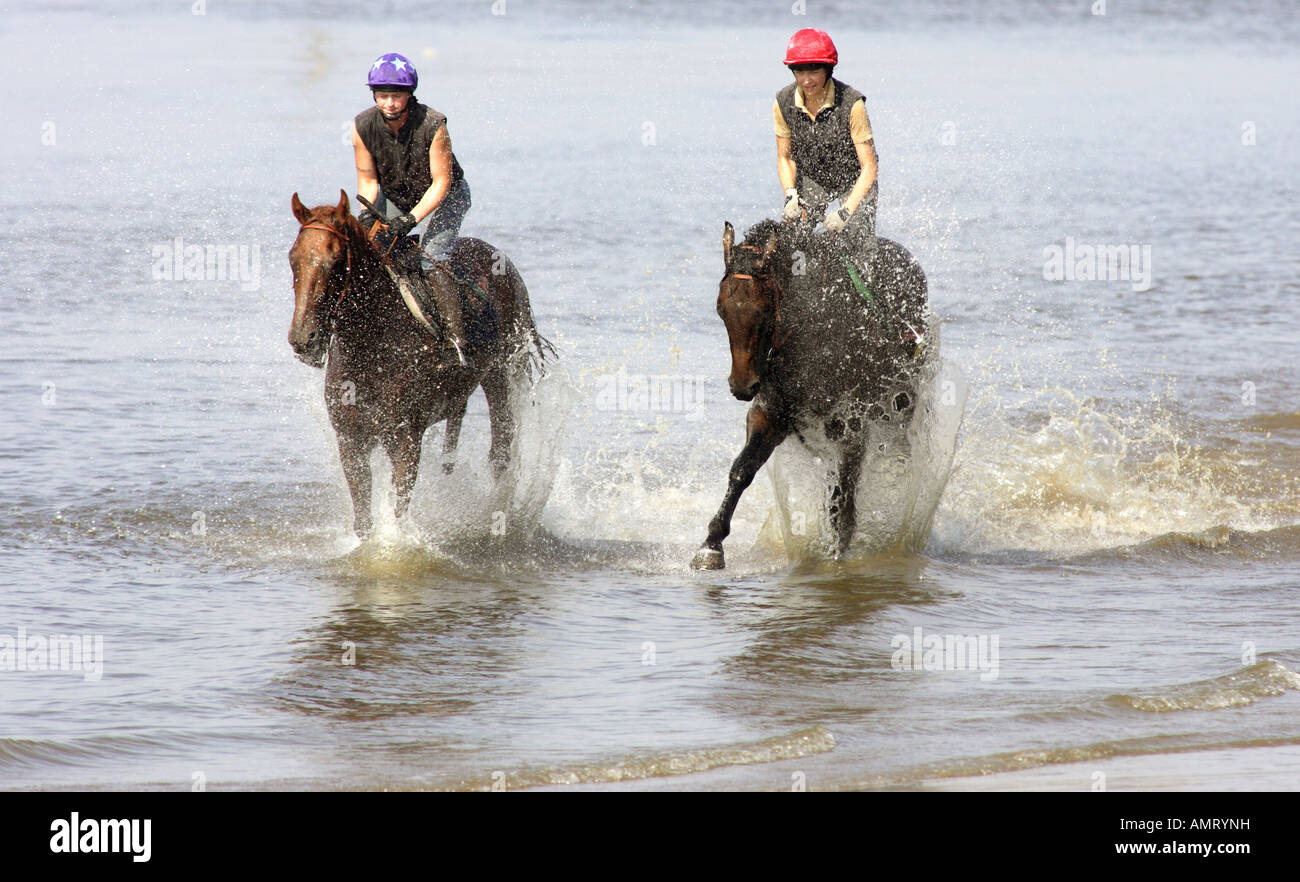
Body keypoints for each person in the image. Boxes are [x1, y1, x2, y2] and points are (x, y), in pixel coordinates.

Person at [351, 52, 471, 363]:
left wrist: (412, 219)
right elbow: (367, 180)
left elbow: (441, 183)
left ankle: (454, 341)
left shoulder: (434, 125)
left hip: (445, 196)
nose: (389, 103)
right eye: (382, 96)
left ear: (409, 95)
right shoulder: (361, 127)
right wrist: (367, 214)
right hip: (396, 197)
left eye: (396, 96)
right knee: (371, 252)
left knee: (432, 260)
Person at [773, 28, 879, 287]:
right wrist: (790, 196)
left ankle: (867, 303)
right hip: (813, 180)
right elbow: (785, 158)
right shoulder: (782, 102)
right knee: (793, 238)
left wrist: (844, 213)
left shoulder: (853, 104)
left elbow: (869, 167)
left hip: (853, 181)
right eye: (800, 72)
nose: (806, 80)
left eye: (814, 72)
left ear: (828, 70)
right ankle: (793, 296)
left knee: (857, 244)